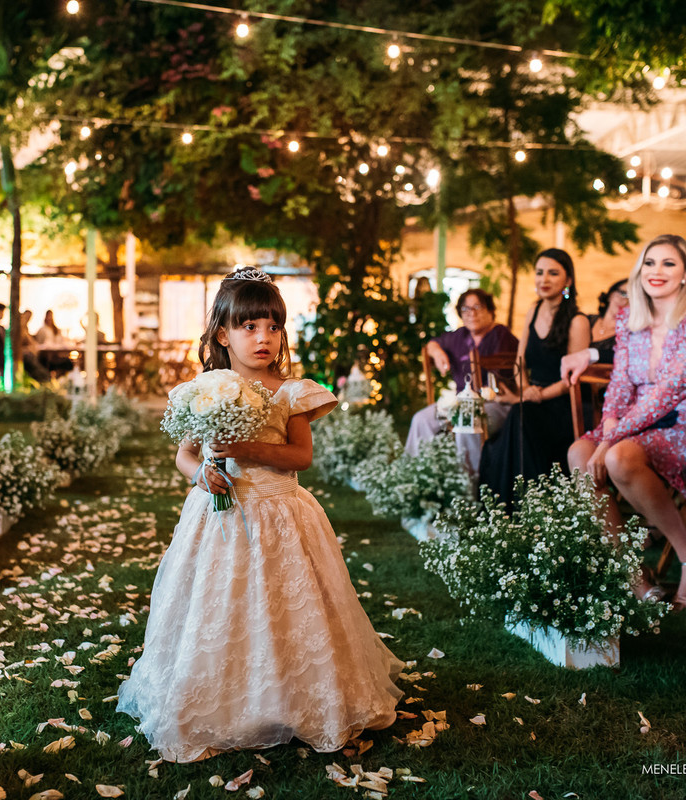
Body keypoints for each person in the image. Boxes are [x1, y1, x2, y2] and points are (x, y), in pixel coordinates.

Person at [117, 267, 402, 762]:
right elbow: (185, 453)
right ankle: (229, 698)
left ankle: (296, 697)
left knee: (287, 608)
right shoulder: (207, 389)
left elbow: (300, 457)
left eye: (272, 326)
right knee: (222, 606)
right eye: (249, 327)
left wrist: (246, 448)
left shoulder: (290, 392)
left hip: (280, 515)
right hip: (221, 518)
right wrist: (199, 473)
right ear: (223, 334)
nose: (263, 338)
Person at [568, 235, 686, 610]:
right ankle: (630, 572)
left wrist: (610, 438)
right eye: (650, 263)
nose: (657, 271)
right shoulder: (629, 319)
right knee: (578, 454)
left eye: (669, 263)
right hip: (635, 424)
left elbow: (668, 394)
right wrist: (607, 428)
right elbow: (620, 383)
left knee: (616, 457)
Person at [478, 248, 591, 510]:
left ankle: (526, 506)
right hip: (531, 401)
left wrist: (538, 395)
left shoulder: (577, 321)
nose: (544, 279)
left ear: (568, 281)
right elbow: (520, 361)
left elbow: (572, 379)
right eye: (539, 272)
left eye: (553, 273)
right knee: (521, 413)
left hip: (563, 404)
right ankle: (512, 507)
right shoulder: (534, 310)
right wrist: (525, 388)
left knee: (522, 413)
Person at [403, 288, 518, 477]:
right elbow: (433, 343)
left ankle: (469, 489)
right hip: (461, 402)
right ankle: (416, 479)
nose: (471, 314)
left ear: (490, 311)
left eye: (477, 307)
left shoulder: (501, 335)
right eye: (465, 309)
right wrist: (437, 352)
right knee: (421, 419)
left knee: (467, 422)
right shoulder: (460, 336)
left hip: (496, 404)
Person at [589, 279, 628, 364]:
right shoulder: (586, 320)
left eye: (634, 298)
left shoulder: (630, 336)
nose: (625, 301)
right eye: (623, 293)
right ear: (611, 295)